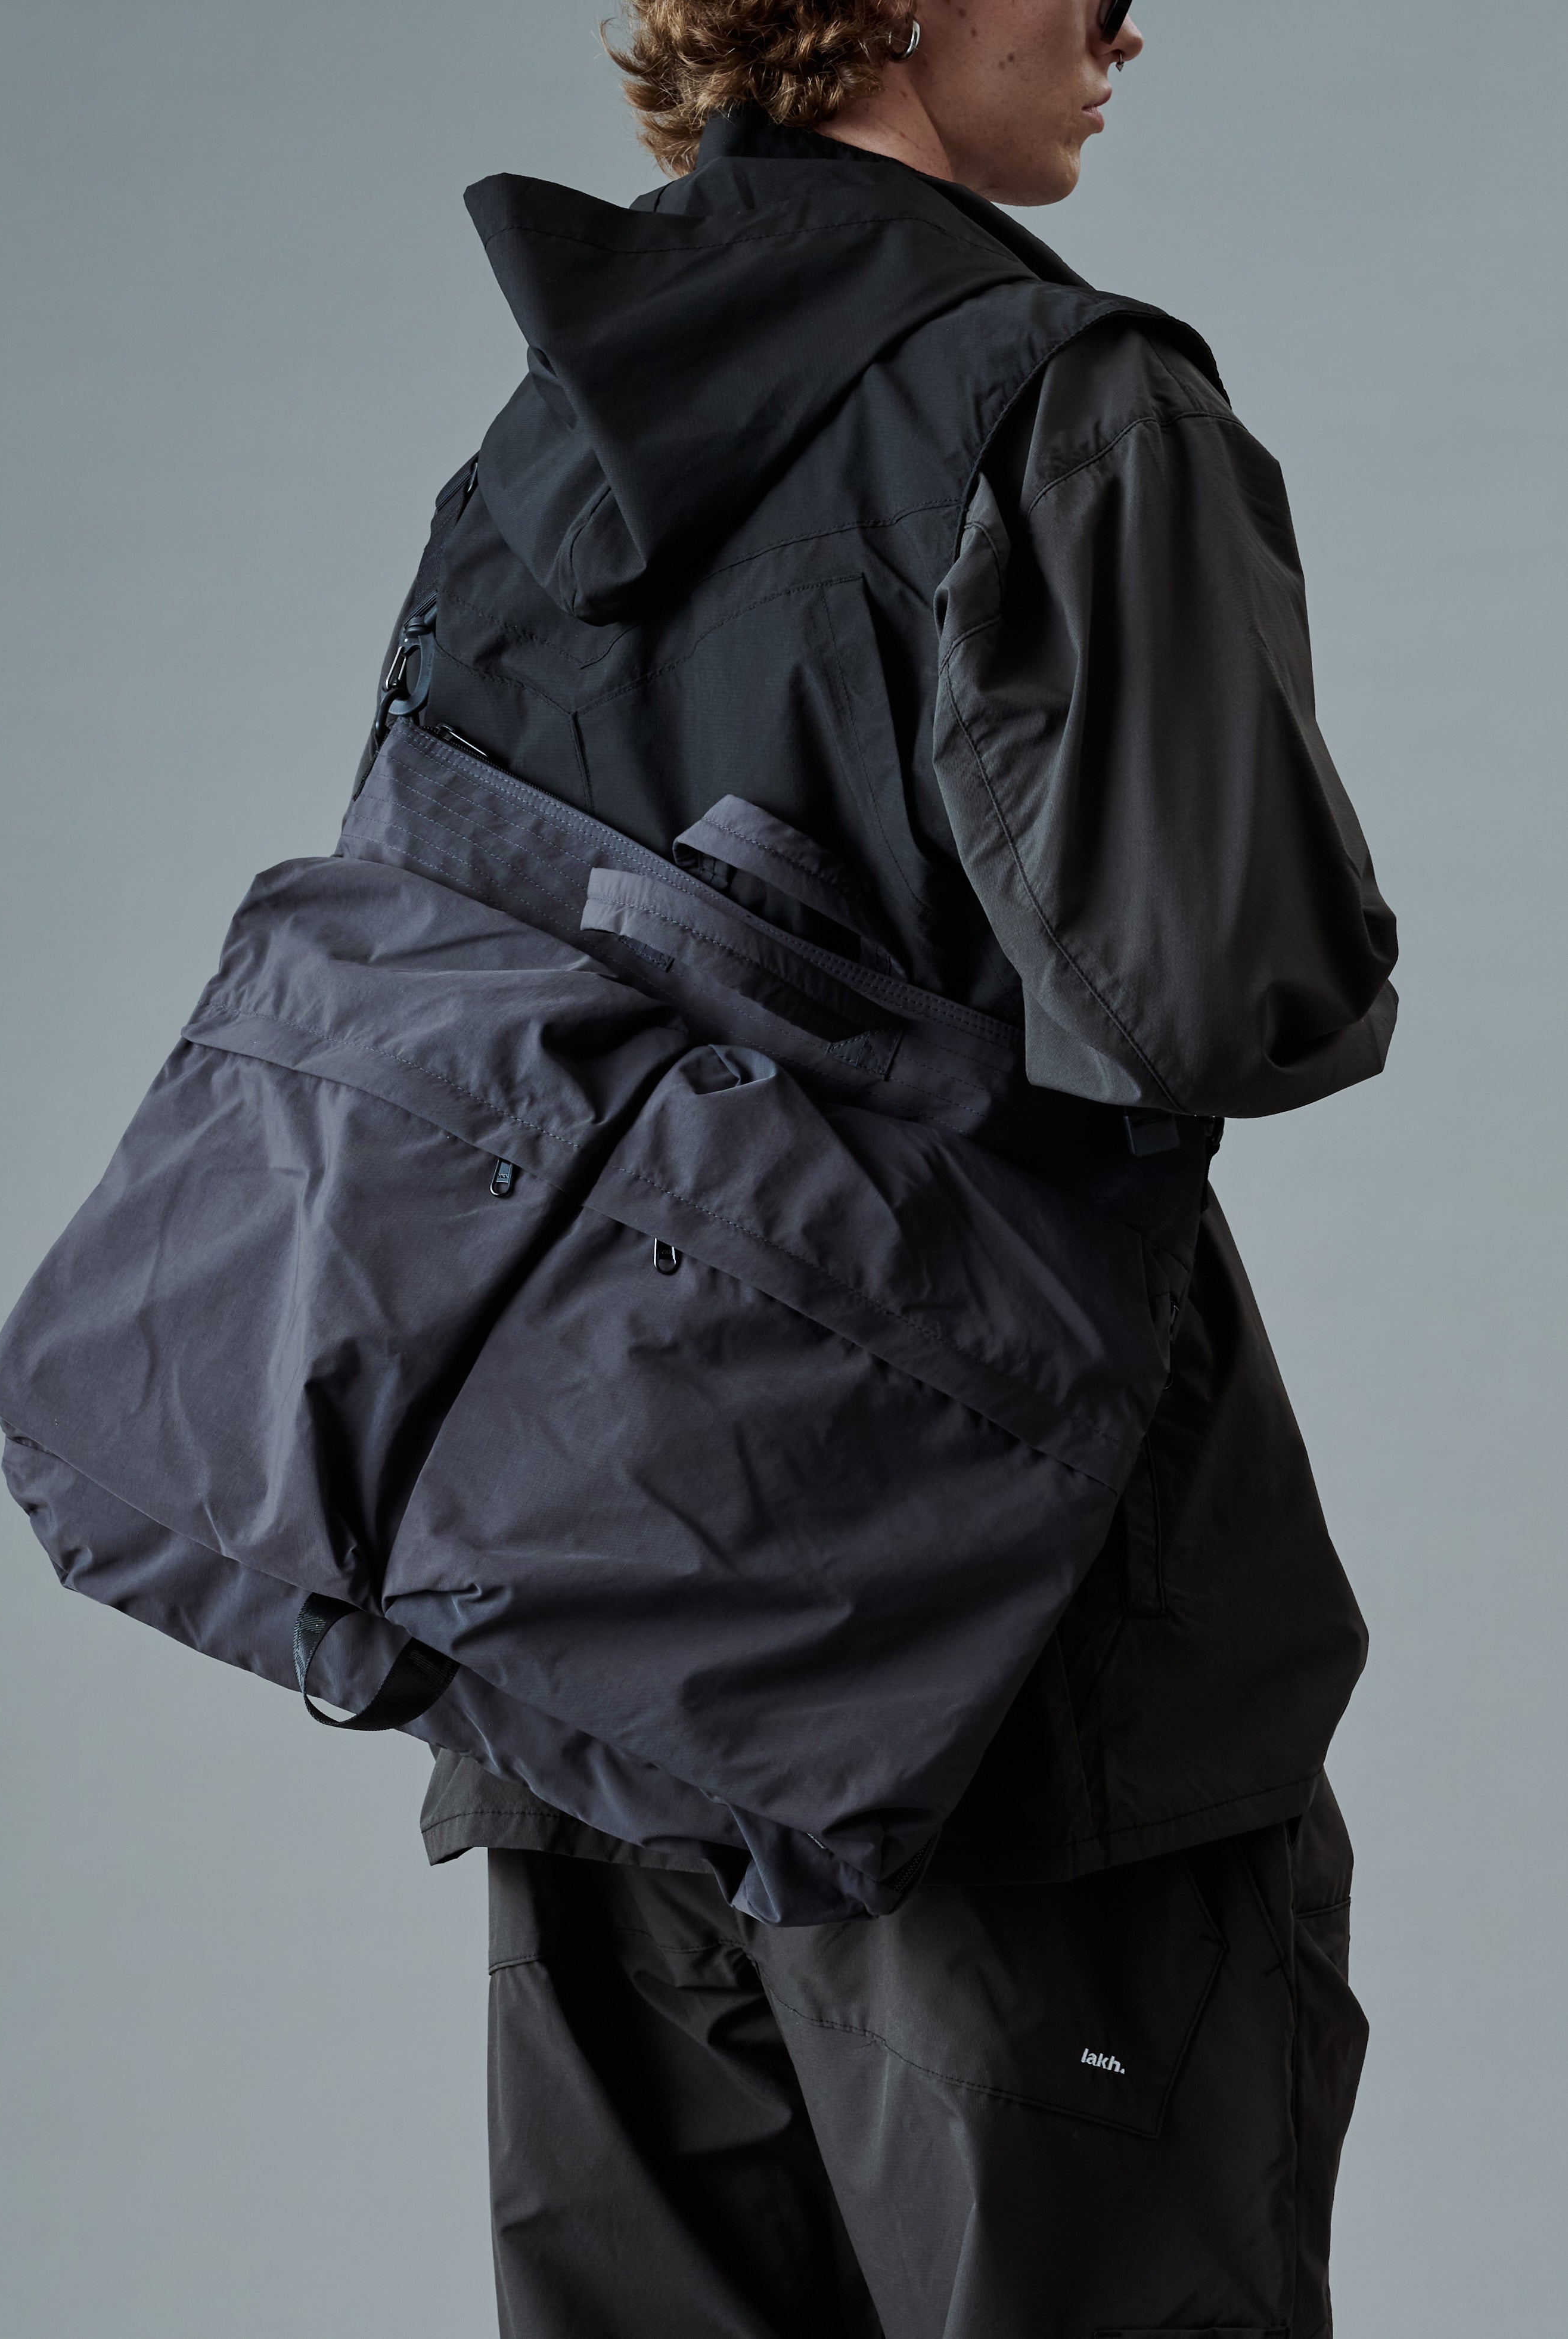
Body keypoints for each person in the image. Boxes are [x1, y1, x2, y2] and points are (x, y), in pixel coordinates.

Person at [400, 4, 1394, 2332]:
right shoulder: (1065, 396)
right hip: (1000, 1646)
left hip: (579, 1591)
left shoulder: (550, 422)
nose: (1127, 18)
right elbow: (1220, 994)